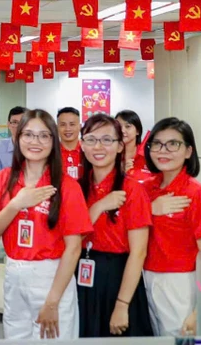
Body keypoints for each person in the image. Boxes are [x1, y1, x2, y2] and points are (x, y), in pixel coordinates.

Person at [0, 109, 91, 340]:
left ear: (53, 141)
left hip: (52, 277)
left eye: (43, 136)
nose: (35, 142)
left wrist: (52, 302)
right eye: (28, 135)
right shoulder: (4, 180)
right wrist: (15, 204)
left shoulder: (66, 186)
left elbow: (73, 248)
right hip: (13, 273)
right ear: (18, 137)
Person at [76, 114, 153, 337]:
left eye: (107, 140)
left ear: (120, 146)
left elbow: (138, 252)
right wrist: (98, 207)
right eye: (91, 139)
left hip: (119, 278)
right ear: (82, 144)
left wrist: (122, 304)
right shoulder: (76, 189)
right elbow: (68, 242)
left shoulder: (133, 190)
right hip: (80, 273)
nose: (98, 147)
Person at [142, 117, 201, 336]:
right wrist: (150, 209)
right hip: (145, 276)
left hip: (180, 281)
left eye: (173, 144)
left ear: (188, 151)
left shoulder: (196, 193)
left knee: (179, 337)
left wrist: (200, 308)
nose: (163, 150)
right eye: (157, 143)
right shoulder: (145, 189)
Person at [0, 106, 26, 175]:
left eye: (23, 122)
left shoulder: (36, 149)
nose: (19, 126)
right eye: (15, 122)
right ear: (8, 124)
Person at [114, 110, 149, 178]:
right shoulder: (110, 156)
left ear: (138, 131)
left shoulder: (148, 155)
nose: (122, 130)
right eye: (119, 127)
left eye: (127, 126)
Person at [56, 107, 82, 179]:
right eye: (63, 125)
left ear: (80, 127)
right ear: (57, 128)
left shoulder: (88, 151)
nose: (67, 129)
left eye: (72, 124)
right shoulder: (52, 153)